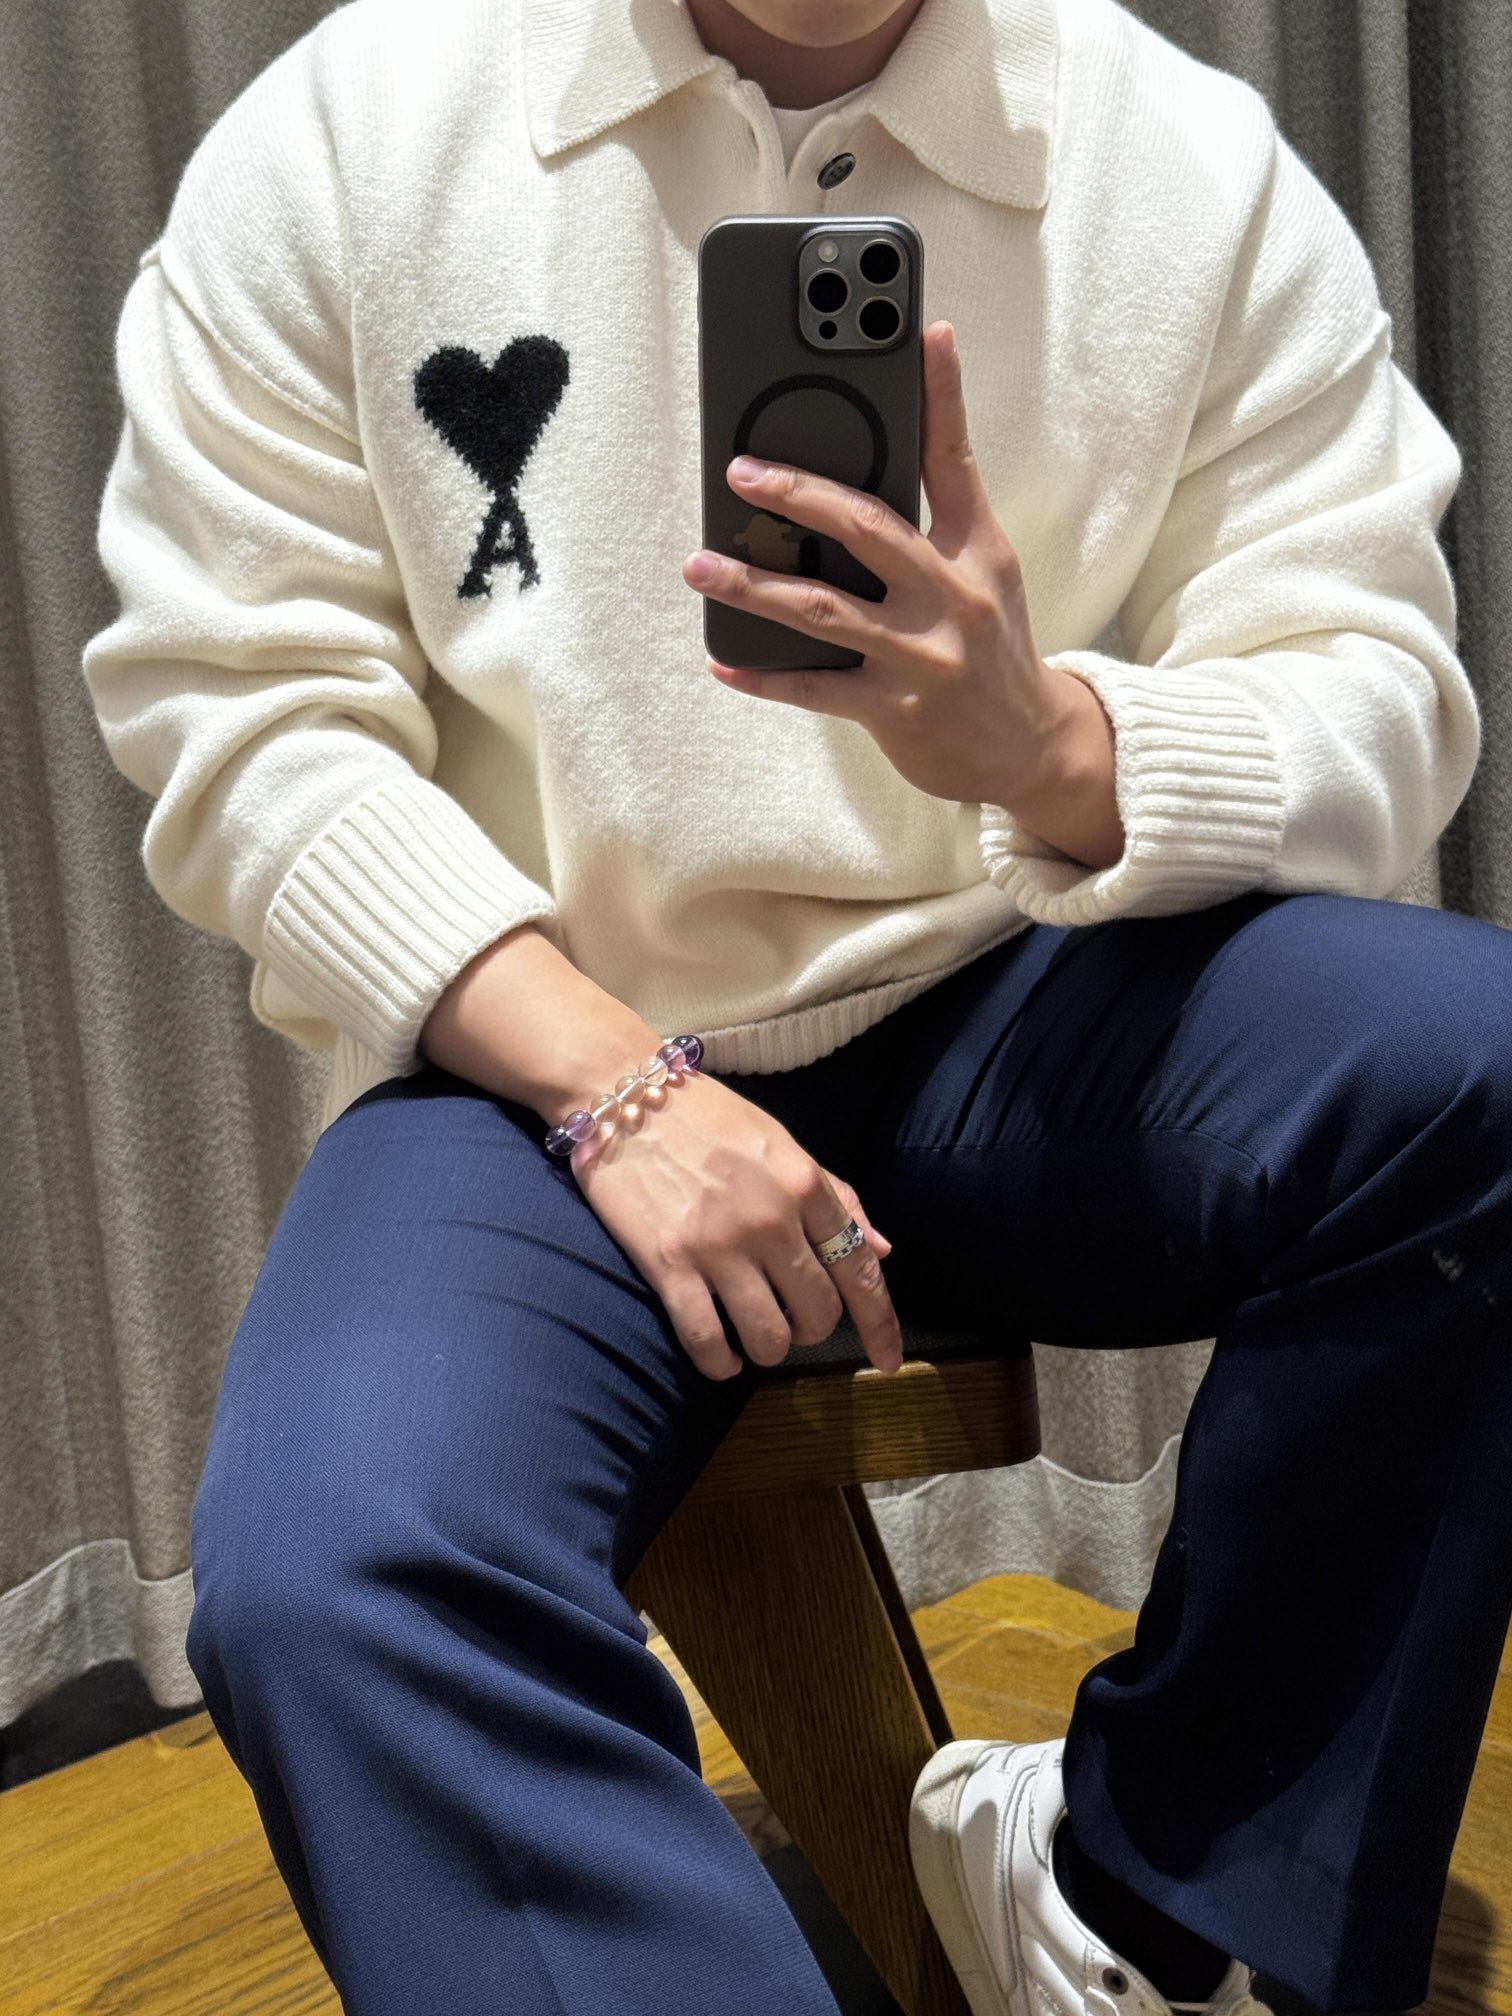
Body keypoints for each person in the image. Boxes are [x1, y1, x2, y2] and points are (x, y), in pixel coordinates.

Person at [80, 0, 1511, 2011]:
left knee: (1487, 1085)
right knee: (344, 1571)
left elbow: (1378, 677)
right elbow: (234, 710)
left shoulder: (1176, 157)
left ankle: (1131, 1906)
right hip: (537, 1065)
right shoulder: (352, 132)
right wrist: (608, 1082)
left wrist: (1053, 744)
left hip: (1016, 994)